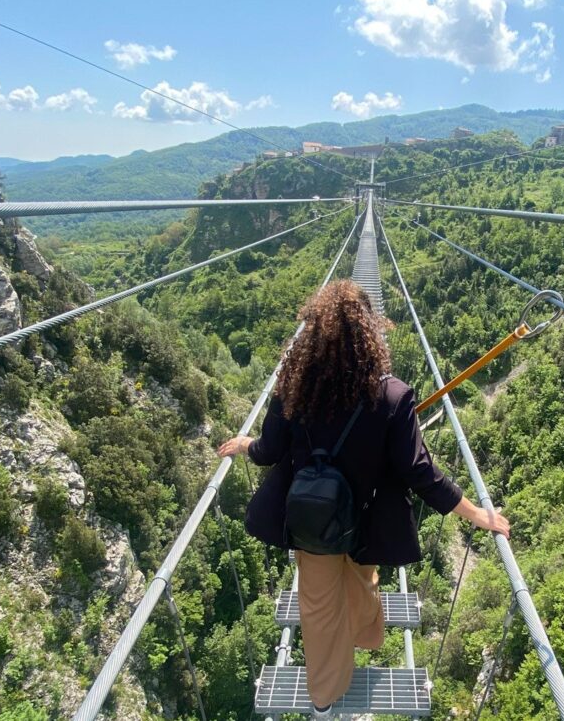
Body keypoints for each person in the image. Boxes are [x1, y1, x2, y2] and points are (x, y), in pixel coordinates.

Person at [217, 280, 510, 718]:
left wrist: (245, 445)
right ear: (370, 332)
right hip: (365, 520)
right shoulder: (393, 397)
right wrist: (477, 515)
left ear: (313, 332)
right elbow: (419, 472)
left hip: (312, 523)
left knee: (316, 608)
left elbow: (271, 451)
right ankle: (366, 634)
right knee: (360, 578)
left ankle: (325, 696)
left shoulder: (292, 388)